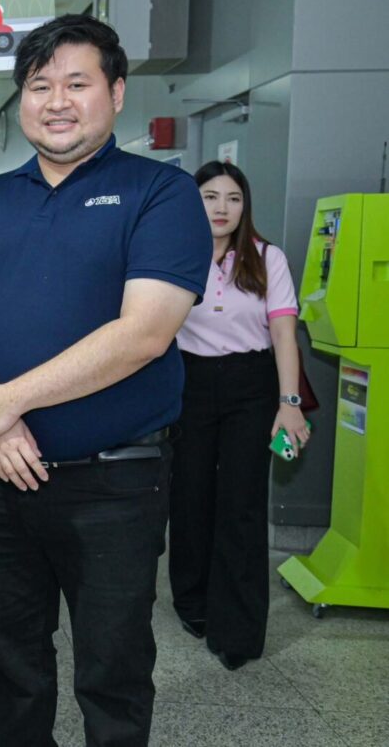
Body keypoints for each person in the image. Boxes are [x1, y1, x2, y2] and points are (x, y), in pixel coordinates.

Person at [0, 14, 211, 746]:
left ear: (116, 92)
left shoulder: (160, 193)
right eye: (39, 85)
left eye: (77, 83)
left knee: (112, 669)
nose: (56, 101)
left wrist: (5, 402)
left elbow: (144, 332)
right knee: (10, 662)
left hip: (113, 483)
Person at [170, 161, 308, 671]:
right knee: (191, 495)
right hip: (188, 382)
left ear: (245, 205)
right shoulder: (173, 252)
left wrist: (289, 404)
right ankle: (193, 599)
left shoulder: (267, 258)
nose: (222, 208)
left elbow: (284, 334)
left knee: (242, 502)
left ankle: (238, 630)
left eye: (233, 198)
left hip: (252, 385)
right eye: (210, 197)